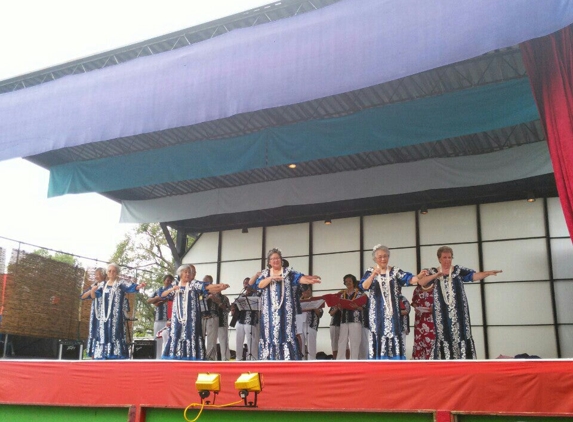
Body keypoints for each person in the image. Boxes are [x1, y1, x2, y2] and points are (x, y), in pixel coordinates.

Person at [420, 246, 502, 360]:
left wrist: (487, 273)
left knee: (462, 333)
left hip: (459, 309)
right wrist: (435, 276)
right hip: (441, 311)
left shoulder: (458, 270)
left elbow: (473, 276)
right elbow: (421, 282)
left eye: (449, 257)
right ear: (439, 259)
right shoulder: (433, 271)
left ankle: (463, 359)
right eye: (444, 257)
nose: (447, 260)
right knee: (443, 334)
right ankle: (445, 361)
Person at [249, 248, 321, 360]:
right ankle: (269, 359)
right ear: (269, 262)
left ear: (281, 260)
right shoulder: (265, 274)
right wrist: (272, 278)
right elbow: (259, 285)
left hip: (286, 311)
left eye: (277, 258)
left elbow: (300, 278)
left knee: (287, 334)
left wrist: (309, 281)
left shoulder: (289, 272)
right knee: (269, 335)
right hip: (269, 312)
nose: (275, 260)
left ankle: (287, 358)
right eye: (273, 259)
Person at [359, 245, 425, 360]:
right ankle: (377, 362)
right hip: (376, 314)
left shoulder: (395, 271)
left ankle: (396, 362)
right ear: (375, 259)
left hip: (392, 313)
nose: (383, 259)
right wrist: (373, 274)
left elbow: (409, 279)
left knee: (394, 333)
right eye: (380, 257)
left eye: (385, 256)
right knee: (377, 334)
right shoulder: (370, 271)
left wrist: (419, 276)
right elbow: (364, 286)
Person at [161, 265, 229, 360]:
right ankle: (176, 356)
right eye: (185, 272)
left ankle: (192, 356)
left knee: (192, 334)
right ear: (180, 274)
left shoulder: (193, 284)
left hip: (191, 318)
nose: (188, 274)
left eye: (189, 272)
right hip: (177, 318)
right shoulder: (175, 285)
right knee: (176, 334)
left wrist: (220, 287)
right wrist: (172, 289)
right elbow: (163, 295)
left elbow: (207, 287)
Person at [88, 263, 146, 360]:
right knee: (103, 333)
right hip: (104, 317)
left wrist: (138, 286)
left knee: (115, 333)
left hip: (116, 316)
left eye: (114, 271)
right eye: (109, 271)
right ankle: (103, 353)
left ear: (117, 273)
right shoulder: (102, 285)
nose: (111, 273)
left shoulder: (120, 284)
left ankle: (115, 354)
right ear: (107, 273)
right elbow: (95, 296)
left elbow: (131, 288)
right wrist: (93, 291)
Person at [336, 274, 365, 360]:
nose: (348, 283)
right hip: (344, 319)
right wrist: (339, 307)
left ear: (353, 282)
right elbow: (341, 307)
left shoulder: (360, 294)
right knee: (342, 340)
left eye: (350, 281)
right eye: (346, 281)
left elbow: (364, 307)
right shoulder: (342, 294)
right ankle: (340, 359)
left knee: (355, 341)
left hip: (355, 320)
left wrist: (357, 307)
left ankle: (354, 359)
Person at [147, 274, 174, 360]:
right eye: (167, 280)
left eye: (170, 280)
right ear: (164, 281)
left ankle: (168, 358)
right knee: (158, 339)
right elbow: (149, 300)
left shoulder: (172, 290)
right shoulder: (158, 290)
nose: (169, 282)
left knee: (169, 339)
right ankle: (158, 358)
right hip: (158, 319)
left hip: (170, 320)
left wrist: (159, 301)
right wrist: (158, 298)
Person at [232, 277, 260, 361]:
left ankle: (252, 358)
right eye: (244, 283)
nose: (246, 285)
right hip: (240, 320)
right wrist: (233, 307)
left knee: (251, 340)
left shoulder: (256, 294)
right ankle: (238, 358)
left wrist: (253, 291)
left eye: (248, 283)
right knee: (239, 340)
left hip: (251, 320)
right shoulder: (241, 295)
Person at [80, 267, 106, 358]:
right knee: (94, 330)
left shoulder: (106, 285)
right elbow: (83, 296)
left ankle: (103, 353)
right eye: (95, 275)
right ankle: (93, 354)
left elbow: (94, 296)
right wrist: (92, 289)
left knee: (101, 331)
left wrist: (93, 291)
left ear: (103, 275)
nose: (96, 277)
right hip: (94, 312)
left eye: (97, 274)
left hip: (104, 313)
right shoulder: (94, 285)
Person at [411, 281, 436, 360]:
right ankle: (418, 360)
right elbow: (413, 302)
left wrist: (434, 309)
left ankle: (431, 359)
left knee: (431, 339)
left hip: (431, 319)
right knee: (419, 340)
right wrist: (416, 307)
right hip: (420, 319)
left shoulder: (436, 289)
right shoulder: (417, 289)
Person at [201, 275, 220, 360]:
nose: (205, 283)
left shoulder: (216, 290)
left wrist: (213, 297)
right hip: (202, 317)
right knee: (200, 338)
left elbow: (221, 302)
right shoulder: (201, 291)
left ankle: (210, 358)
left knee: (211, 340)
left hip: (212, 317)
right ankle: (201, 355)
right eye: (204, 281)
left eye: (207, 281)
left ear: (211, 282)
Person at [216, 290, 231, 360]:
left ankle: (225, 359)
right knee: (212, 342)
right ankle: (213, 359)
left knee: (223, 341)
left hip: (222, 322)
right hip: (212, 322)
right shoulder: (209, 297)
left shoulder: (225, 298)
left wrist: (219, 303)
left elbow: (228, 309)